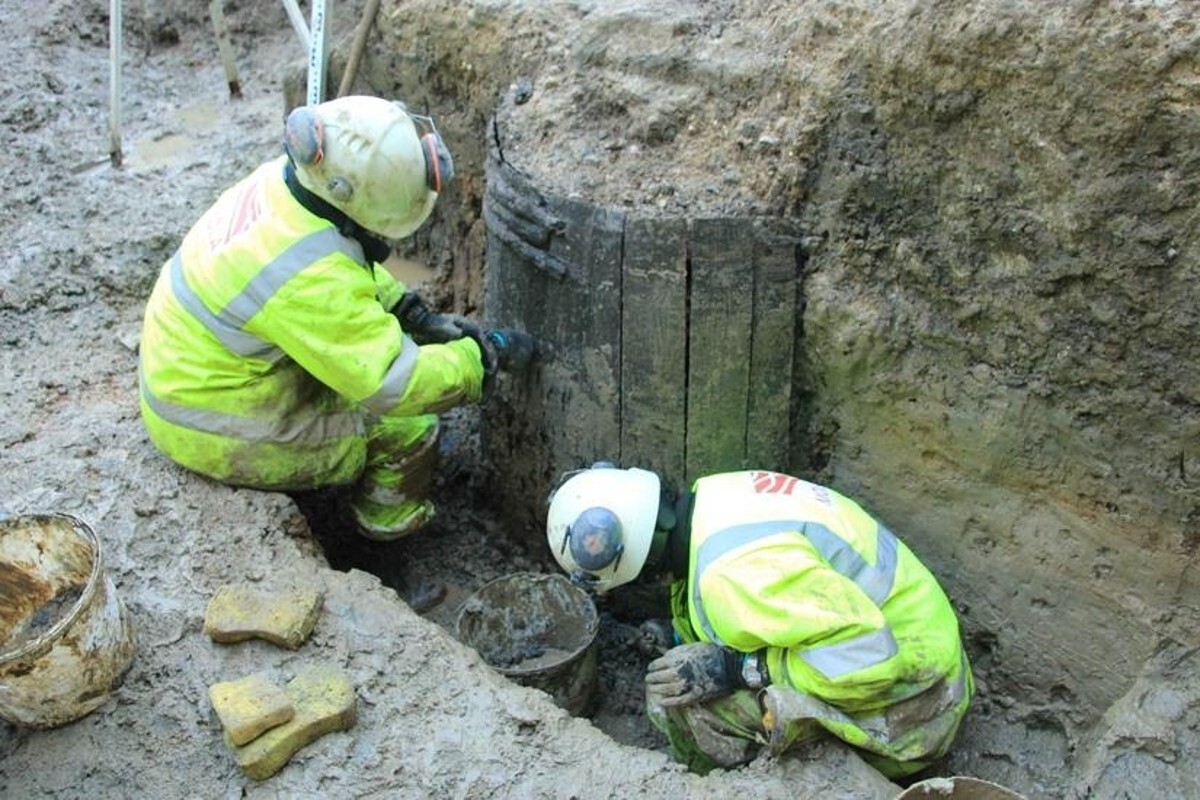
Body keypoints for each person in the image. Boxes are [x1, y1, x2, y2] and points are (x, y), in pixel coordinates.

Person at [138, 95, 535, 580]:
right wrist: (478, 359)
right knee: (409, 431)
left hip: (190, 369)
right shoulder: (306, 279)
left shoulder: (290, 185)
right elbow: (393, 383)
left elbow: (338, 262)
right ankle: (386, 552)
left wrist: (408, 310)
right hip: (209, 422)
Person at [545, 463, 973, 777]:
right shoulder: (711, 499)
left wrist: (738, 669)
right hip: (922, 634)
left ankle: (740, 783)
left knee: (681, 706)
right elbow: (768, 605)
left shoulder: (729, 580)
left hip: (919, 703)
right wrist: (677, 633)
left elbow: (870, 660)